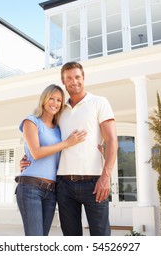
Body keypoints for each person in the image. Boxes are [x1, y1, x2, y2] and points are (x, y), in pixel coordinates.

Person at [21, 62, 118, 236]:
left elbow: (111, 140)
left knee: (101, 236)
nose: (74, 81)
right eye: (69, 78)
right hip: (64, 185)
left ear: (83, 78)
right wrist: (27, 157)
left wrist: (106, 176)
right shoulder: (59, 111)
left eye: (77, 77)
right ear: (63, 81)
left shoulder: (99, 102)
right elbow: (46, 138)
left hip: (94, 182)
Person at [15, 84, 87, 236]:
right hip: (30, 188)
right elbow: (36, 153)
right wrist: (67, 142)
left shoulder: (58, 129)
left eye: (59, 100)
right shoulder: (31, 121)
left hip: (51, 191)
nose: (55, 103)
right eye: (51, 99)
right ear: (43, 100)